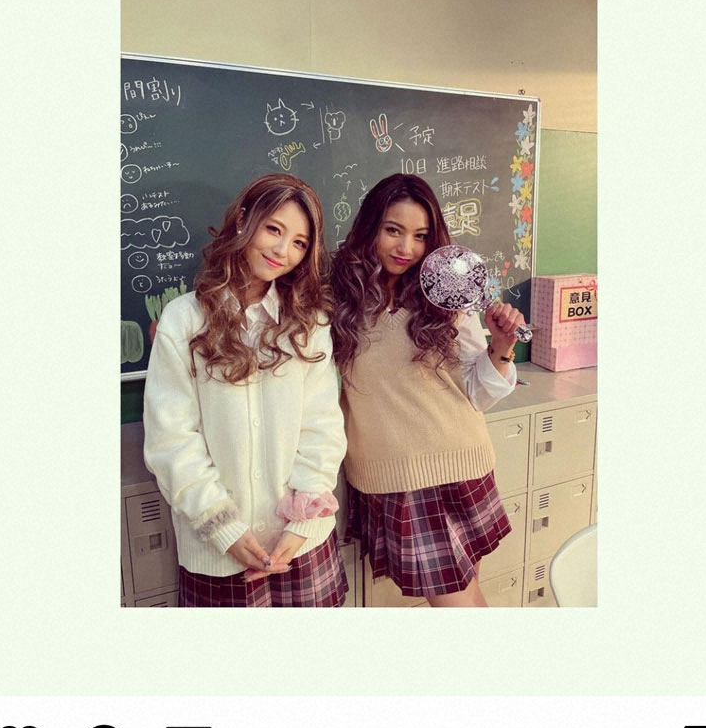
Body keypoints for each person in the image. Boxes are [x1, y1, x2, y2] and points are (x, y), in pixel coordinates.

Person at [144, 173, 348, 607]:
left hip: (301, 545)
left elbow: (322, 426)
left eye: (299, 242)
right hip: (218, 552)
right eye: (274, 229)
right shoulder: (183, 320)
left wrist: (302, 524)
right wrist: (224, 528)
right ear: (242, 220)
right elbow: (172, 440)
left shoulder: (309, 323)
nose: (282, 250)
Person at [331, 174, 525, 607]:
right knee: (466, 601)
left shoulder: (446, 294)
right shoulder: (340, 297)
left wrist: (501, 346)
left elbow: (477, 393)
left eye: (420, 236)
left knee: (463, 603)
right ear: (370, 227)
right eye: (393, 230)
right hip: (393, 477)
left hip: (459, 466)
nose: (406, 248)